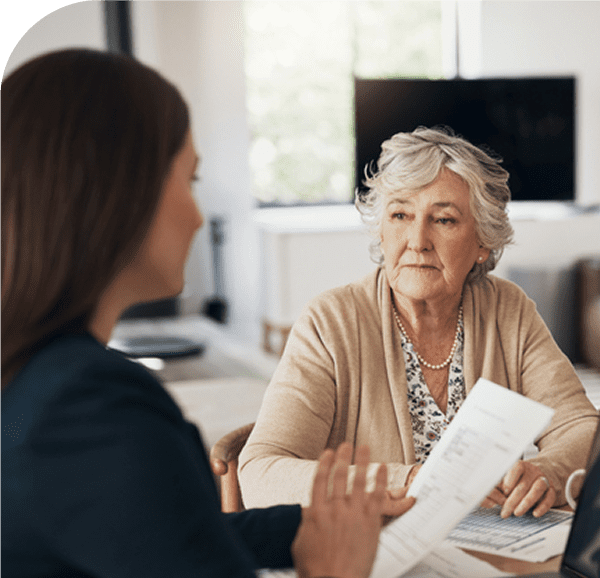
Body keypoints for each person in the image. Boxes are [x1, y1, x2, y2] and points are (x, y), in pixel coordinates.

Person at [0, 48, 414, 578]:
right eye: (190, 181)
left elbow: (166, 532)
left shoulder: (37, 383)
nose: (198, 217)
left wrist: (325, 520)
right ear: (122, 194)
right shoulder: (93, 408)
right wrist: (333, 568)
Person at [239, 126, 600, 519]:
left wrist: (546, 472)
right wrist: (410, 482)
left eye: (443, 220)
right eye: (400, 214)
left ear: (483, 242)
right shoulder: (329, 324)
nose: (417, 240)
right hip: (376, 551)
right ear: (381, 228)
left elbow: (582, 428)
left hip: (490, 545)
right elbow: (262, 474)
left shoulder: (507, 310)